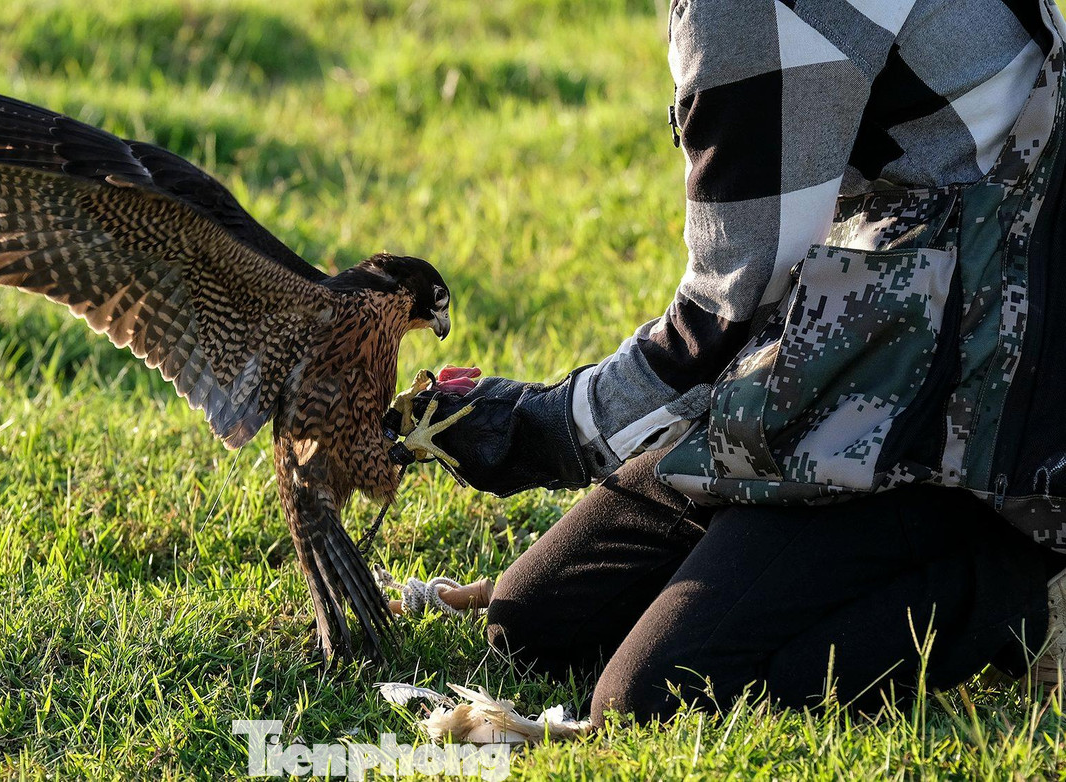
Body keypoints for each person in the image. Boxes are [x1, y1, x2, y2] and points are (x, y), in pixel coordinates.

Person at [411, 0, 1066, 723]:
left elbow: (718, 328)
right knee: (534, 622)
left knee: (652, 697)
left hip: (991, 393)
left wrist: (529, 431)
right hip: (901, 314)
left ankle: (1027, 578)